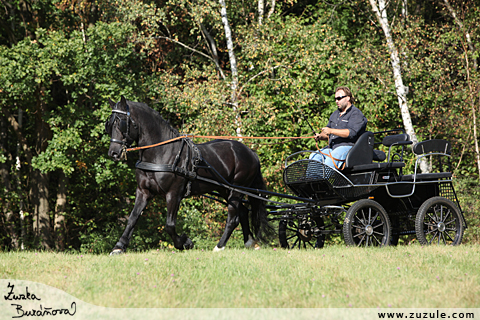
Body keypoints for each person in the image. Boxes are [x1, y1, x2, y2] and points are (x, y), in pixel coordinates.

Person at [309, 86, 367, 170]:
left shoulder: (356, 114)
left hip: (349, 147)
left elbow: (351, 133)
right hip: (332, 148)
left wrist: (331, 130)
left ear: (348, 98)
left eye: (339, 98)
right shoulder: (334, 114)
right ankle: (314, 180)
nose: (336, 101)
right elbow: (327, 134)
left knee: (331, 159)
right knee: (314, 156)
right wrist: (320, 136)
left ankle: (325, 181)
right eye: (335, 99)